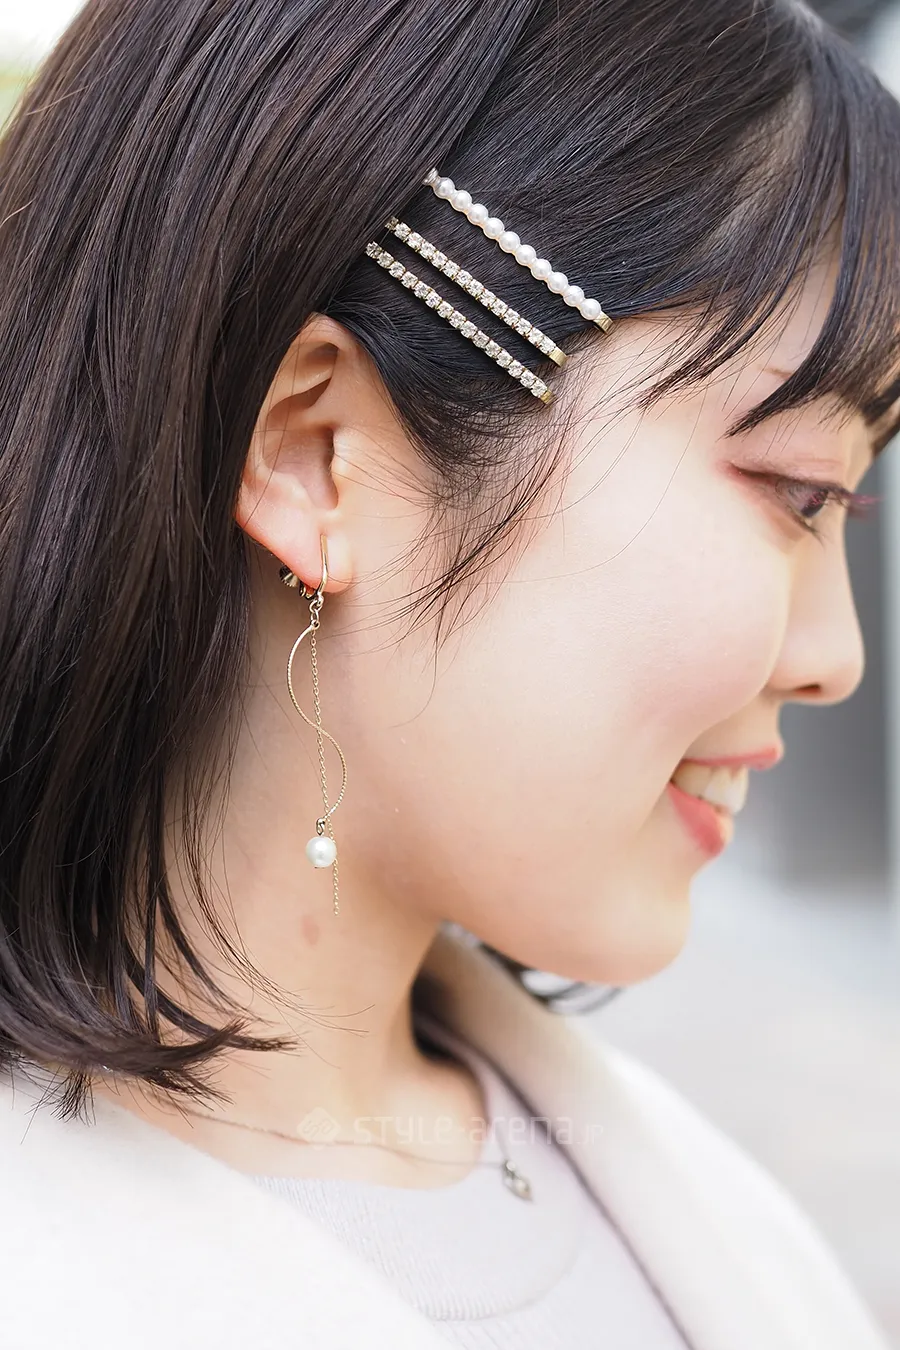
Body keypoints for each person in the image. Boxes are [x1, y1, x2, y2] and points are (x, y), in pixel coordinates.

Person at [0, 0, 898, 1346]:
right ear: (318, 453)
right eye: (800, 491)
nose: (838, 657)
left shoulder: (711, 1212)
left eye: (850, 508)